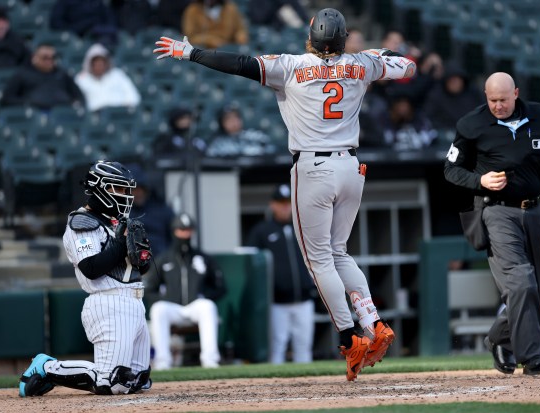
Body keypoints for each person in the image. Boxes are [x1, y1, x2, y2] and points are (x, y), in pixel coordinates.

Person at [153, 7, 417, 381]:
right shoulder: (363, 63)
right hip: (351, 167)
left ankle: (348, 336)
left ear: (311, 37)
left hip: (313, 167)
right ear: (342, 39)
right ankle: (373, 322)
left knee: (318, 259)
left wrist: (191, 52)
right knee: (338, 251)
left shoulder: (292, 65)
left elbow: (240, 63)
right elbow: (408, 69)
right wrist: (379, 55)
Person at [444, 72, 540, 375]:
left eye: (503, 99)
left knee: (536, 289)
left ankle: (499, 337)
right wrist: (479, 179)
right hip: (495, 211)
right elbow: (451, 170)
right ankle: (533, 358)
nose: (497, 105)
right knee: (521, 281)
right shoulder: (472, 124)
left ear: (516, 93)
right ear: (486, 95)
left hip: (535, 211)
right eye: (492, 99)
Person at [19, 160, 152, 397]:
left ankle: (59, 370)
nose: (124, 195)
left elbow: (140, 269)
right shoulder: (82, 222)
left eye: (125, 190)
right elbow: (91, 267)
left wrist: (142, 257)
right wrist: (121, 245)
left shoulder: (118, 223)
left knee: (138, 380)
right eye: (117, 189)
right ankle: (47, 367)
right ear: (99, 188)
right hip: (108, 302)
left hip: (135, 302)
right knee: (112, 381)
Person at [143, 212, 227, 369]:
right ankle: (163, 361)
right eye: (181, 230)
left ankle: (210, 360)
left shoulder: (202, 258)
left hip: (194, 306)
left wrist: (203, 295)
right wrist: (165, 298)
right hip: (172, 306)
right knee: (158, 309)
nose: (185, 234)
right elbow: (149, 289)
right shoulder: (164, 259)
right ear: (174, 231)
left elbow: (220, 287)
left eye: (188, 230)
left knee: (208, 306)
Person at [245, 184, 317, 364]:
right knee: (278, 346)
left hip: (304, 299)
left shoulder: (303, 227)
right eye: (281, 202)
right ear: (273, 205)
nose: (285, 206)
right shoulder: (262, 231)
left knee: (304, 346)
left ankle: (309, 388)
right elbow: (251, 262)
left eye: (288, 202)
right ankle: (276, 390)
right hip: (277, 301)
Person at [1, 43, 84, 110]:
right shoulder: (22, 74)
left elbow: (78, 96)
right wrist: (28, 103)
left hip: (62, 114)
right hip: (35, 113)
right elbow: (7, 99)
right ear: (34, 58)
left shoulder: (62, 74)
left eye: (53, 58)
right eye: (45, 58)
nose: (49, 61)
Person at [75, 43, 141, 112]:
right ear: (90, 64)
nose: (99, 66)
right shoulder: (81, 79)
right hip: (94, 116)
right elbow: (77, 103)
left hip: (118, 114)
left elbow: (134, 97)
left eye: (101, 63)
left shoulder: (117, 75)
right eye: (96, 63)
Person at [127, 163, 175, 257]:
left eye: (140, 189)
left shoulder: (162, 210)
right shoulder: (120, 212)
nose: (138, 193)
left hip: (159, 263)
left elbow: (174, 239)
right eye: (134, 189)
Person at [205, 104, 276, 157]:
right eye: (228, 119)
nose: (233, 121)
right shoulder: (217, 143)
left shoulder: (256, 136)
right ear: (222, 123)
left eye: (236, 117)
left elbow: (271, 151)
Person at [182, 0, 248, 49]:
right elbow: (190, 37)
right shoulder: (192, 10)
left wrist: (241, 36)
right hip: (204, 50)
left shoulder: (230, 8)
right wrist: (209, 40)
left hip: (228, 48)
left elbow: (240, 29)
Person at [49, 0, 118, 47]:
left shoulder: (97, 2)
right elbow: (55, 22)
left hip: (97, 34)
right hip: (75, 35)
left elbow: (110, 19)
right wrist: (74, 30)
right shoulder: (65, 2)